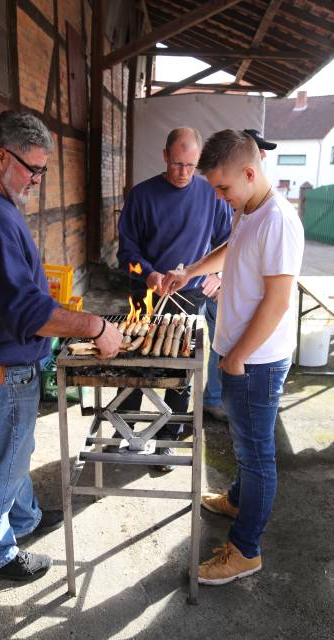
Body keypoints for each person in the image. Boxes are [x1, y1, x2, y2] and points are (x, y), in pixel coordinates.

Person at [0, 111, 122, 584]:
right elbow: (25, 312)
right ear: (0, 158)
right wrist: (96, 327)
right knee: (2, 463)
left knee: (15, 449)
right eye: (32, 169)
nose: (37, 180)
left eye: (42, 171)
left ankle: (23, 520)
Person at [162, 129, 304, 585]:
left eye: (223, 188)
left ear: (249, 171)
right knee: (246, 444)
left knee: (258, 454)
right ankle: (239, 500)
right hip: (242, 354)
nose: (220, 198)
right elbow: (231, 251)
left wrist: (238, 355)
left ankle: (245, 550)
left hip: (257, 361)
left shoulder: (278, 220)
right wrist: (188, 271)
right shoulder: (248, 207)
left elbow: (278, 301)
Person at [117, 127, 232, 469]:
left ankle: (168, 438)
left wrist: (216, 275)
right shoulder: (141, 195)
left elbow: (228, 243)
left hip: (190, 295)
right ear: (165, 156)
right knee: (136, 360)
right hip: (146, 293)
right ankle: (128, 431)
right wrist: (149, 273)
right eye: (178, 163)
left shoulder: (210, 194)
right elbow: (127, 250)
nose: (184, 172)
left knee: (179, 368)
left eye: (191, 165)